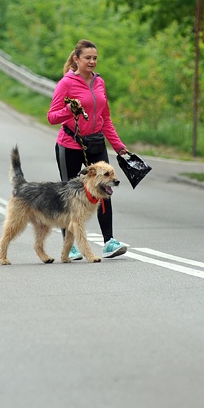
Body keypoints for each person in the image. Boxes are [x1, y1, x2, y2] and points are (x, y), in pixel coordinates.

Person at [48, 39, 129, 259]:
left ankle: (109, 242)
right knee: (69, 195)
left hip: (96, 143)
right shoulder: (66, 83)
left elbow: (105, 117)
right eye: (87, 58)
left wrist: (118, 145)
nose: (92, 62)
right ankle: (71, 246)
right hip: (71, 144)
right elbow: (52, 116)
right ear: (76, 59)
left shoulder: (99, 82)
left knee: (105, 189)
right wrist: (70, 108)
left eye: (95, 58)